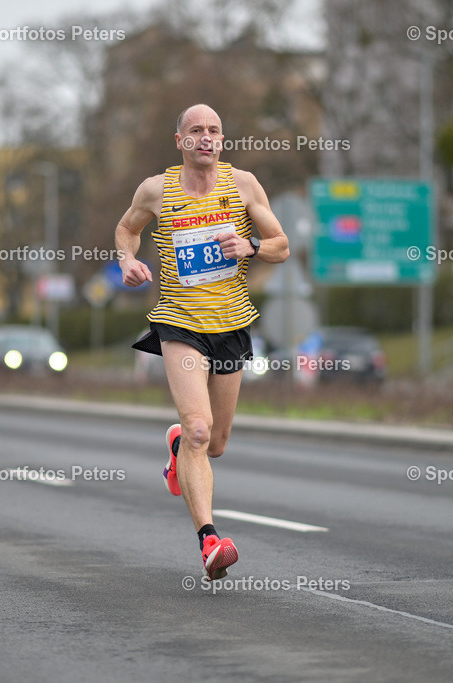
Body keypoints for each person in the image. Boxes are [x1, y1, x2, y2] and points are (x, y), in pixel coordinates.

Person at [116, 104, 289, 580]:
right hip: (180, 322)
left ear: (222, 138)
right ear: (180, 141)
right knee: (196, 427)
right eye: (196, 131)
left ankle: (177, 453)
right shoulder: (156, 190)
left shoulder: (244, 185)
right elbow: (127, 229)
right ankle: (209, 542)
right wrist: (125, 261)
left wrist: (251, 246)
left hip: (231, 323)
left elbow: (282, 244)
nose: (206, 138)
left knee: (214, 443)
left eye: (214, 130)